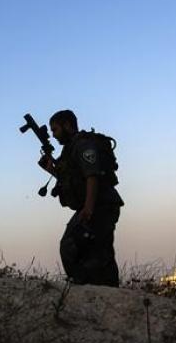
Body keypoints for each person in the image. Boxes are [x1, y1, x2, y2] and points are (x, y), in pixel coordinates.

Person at [38, 110, 123, 287]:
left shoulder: (83, 145)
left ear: (67, 125)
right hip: (91, 206)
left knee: (95, 252)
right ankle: (89, 289)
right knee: (79, 248)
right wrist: (51, 170)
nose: (53, 135)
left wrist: (89, 208)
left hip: (101, 205)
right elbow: (71, 180)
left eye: (55, 130)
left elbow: (92, 176)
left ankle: (101, 291)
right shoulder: (69, 150)